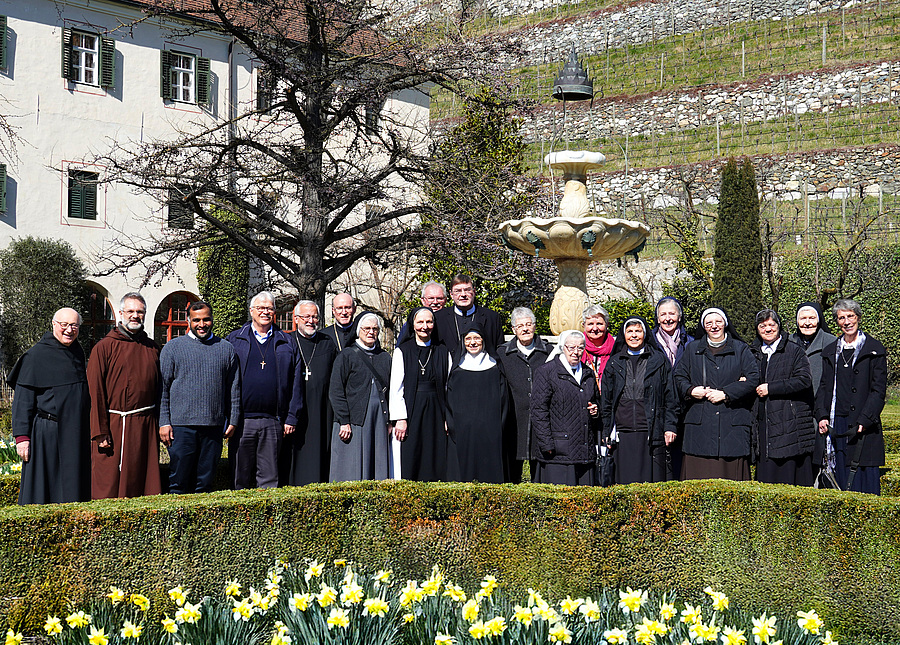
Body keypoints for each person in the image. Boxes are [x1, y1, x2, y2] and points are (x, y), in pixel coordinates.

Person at [9, 308, 90, 505]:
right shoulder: (36, 356)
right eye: (64, 325)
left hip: (75, 432)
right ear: (54, 325)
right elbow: (22, 400)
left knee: (73, 489)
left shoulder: (77, 352)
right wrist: (22, 437)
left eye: (74, 325)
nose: (69, 330)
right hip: (47, 432)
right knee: (44, 489)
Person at [159, 301, 241, 494]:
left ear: (212, 320)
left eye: (206, 319)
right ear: (188, 321)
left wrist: (234, 419)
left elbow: (234, 388)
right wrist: (164, 421)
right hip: (181, 427)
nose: (201, 324)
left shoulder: (226, 349)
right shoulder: (172, 348)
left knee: (205, 485)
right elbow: (162, 389)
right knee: (179, 483)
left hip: (213, 427)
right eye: (196, 320)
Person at [87, 292, 162, 499]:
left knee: (144, 482)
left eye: (140, 312)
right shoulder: (103, 348)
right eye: (130, 311)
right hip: (113, 426)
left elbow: (160, 391)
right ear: (121, 313)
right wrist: (100, 431)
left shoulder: (153, 349)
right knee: (109, 483)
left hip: (145, 426)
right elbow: (95, 392)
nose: (135, 315)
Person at [227, 291, 304, 489]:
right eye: (260, 308)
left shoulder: (287, 342)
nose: (265, 312)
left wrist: (291, 417)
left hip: (274, 420)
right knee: (240, 477)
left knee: (270, 479)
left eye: (269, 308)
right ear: (251, 311)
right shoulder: (235, 340)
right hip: (242, 421)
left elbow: (296, 382)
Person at [674, 307, 759, 481]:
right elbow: (679, 376)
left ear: (725, 324)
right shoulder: (692, 349)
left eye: (718, 322)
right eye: (709, 323)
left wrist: (726, 393)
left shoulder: (741, 349)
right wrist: (691, 390)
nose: (714, 326)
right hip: (699, 428)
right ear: (703, 326)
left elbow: (753, 378)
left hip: (732, 428)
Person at [814, 299, 886, 494]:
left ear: (858, 318)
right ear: (837, 322)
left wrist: (866, 419)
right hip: (837, 422)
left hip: (863, 424)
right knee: (840, 477)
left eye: (850, 316)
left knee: (863, 478)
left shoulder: (874, 349)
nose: (846, 321)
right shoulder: (830, 351)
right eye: (841, 318)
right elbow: (823, 387)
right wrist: (821, 415)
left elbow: (878, 390)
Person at [600, 318, 678, 484]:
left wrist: (670, 427)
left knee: (650, 483)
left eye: (638, 331)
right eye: (630, 332)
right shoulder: (614, 363)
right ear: (624, 335)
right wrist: (606, 430)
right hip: (623, 432)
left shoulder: (658, 360)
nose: (633, 335)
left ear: (645, 334)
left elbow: (670, 396)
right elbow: (606, 400)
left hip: (651, 430)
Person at [750, 309, 816, 486]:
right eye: (762, 326)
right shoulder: (752, 352)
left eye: (772, 325)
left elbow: (804, 380)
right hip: (764, 424)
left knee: (789, 475)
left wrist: (771, 388)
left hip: (789, 421)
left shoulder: (794, 350)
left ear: (779, 327)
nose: (768, 329)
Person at [530, 330, 599, 485]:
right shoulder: (546, 372)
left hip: (584, 449)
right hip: (558, 452)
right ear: (562, 347)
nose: (576, 352)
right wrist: (546, 443)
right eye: (571, 348)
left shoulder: (587, 373)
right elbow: (538, 410)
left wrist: (595, 410)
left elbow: (595, 401)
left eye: (580, 348)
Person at [328, 313, 392, 482]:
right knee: (350, 468)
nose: (371, 332)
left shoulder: (385, 357)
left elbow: (391, 390)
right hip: (353, 421)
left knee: (377, 466)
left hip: (379, 420)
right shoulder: (346, 355)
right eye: (367, 328)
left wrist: (390, 420)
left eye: (375, 329)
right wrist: (344, 420)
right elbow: (336, 390)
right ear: (358, 330)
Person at [389, 307, 451, 481]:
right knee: (413, 453)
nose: (425, 326)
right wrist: (401, 418)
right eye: (420, 322)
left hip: (437, 410)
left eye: (429, 321)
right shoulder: (402, 351)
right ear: (413, 324)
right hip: (412, 409)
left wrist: (448, 417)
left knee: (436, 454)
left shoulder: (443, 351)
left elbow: (449, 386)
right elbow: (396, 387)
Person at [282, 300, 337, 485]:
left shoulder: (327, 343)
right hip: (295, 408)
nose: (311, 320)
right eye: (306, 316)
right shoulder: (286, 341)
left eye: (314, 317)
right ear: (296, 319)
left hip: (321, 410)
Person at [446, 325, 510, 483]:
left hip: (491, 433)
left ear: (484, 341)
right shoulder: (457, 370)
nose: (472, 343)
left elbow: (504, 401)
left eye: (476, 338)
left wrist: (498, 427)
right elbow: (450, 403)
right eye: (468, 339)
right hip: (463, 433)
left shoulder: (495, 368)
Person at [497, 306, 551, 482]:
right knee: (511, 473)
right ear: (513, 329)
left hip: (542, 419)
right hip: (513, 418)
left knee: (541, 472)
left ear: (535, 326)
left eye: (529, 324)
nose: (525, 329)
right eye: (520, 326)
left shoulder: (549, 353)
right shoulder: (502, 353)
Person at [652, 296, 694, 480]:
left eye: (672, 313)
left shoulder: (690, 343)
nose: (668, 318)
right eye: (663, 314)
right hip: (656, 409)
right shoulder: (650, 343)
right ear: (657, 317)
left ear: (679, 316)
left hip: (685, 409)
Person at [434, 274, 503, 356]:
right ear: (451, 294)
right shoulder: (438, 318)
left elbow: (499, 349)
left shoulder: (491, 317)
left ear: (474, 292)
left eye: (467, 290)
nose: (463, 295)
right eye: (458, 291)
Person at [790, 302, 837, 398]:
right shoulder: (788, 342)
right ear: (797, 321)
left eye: (812, 318)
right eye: (803, 318)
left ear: (818, 321)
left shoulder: (832, 343)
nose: (807, 323)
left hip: (822, 402)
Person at [395, 282, 448, 346]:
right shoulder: (411, 324)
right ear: (423, 300)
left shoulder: (451, 322)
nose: (435, 302)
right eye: (431, 298)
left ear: (445, 300)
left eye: (439, 298)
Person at [581, 304, 615, 392]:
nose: (595, 328)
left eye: (599, 324)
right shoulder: (576, 348)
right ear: (583, 325)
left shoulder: (616, 349)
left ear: (607, 325)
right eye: (590, 324)